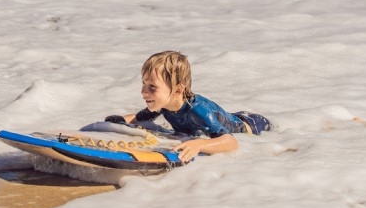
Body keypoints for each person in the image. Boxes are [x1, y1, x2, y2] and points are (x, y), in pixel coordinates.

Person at [105, 50, 271, 162]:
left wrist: (198, 144)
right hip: (228, 118)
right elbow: (137, 118)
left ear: (177, 90)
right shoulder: (164, 104)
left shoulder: (198, 111)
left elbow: (231, 142)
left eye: (152, 87)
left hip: (254, 125)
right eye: (143, 84)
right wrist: (117, 122)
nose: (143, 92)